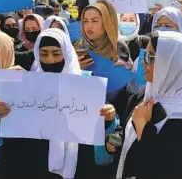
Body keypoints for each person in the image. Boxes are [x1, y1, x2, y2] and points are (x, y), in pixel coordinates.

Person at [116, 31, 182, 179]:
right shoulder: (148, 98)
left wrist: (143, 129)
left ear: (172, 63)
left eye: (151, 57)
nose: (143, 62)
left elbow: (166, 169)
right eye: (145, 56)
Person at [33, 28, 121, 179]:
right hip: (41, 165)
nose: (50, 60)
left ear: (67, 54)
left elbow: (109, 125)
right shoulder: (31, 85)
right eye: (44, 54)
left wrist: (109, 117)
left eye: (56, 53)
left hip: (82, 165)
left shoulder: (86, 82)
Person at [74, 0, 132, 70]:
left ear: (107, 23)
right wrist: (74, 68)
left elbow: (133, 77)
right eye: (85, 21)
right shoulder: (77, 46)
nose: (89, 26)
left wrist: (124, 70)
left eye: (94, 21)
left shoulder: (119, 47)